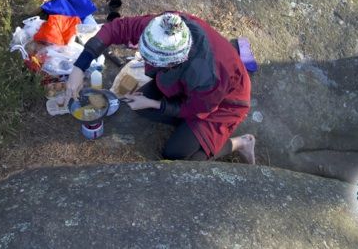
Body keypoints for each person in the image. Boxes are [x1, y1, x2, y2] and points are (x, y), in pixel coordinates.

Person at [65, 11, 255, 163]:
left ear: (173, 63)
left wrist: (155, 104)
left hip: (223, 102)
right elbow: (116, 28)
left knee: (177, 156)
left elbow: (194, 108)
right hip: (186, 87)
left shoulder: (206, 77)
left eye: (152, 62)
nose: (146, 64)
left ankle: (241, 143)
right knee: (142, 108)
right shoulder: (163, 28)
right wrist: (79, 67)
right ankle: (191, 132)